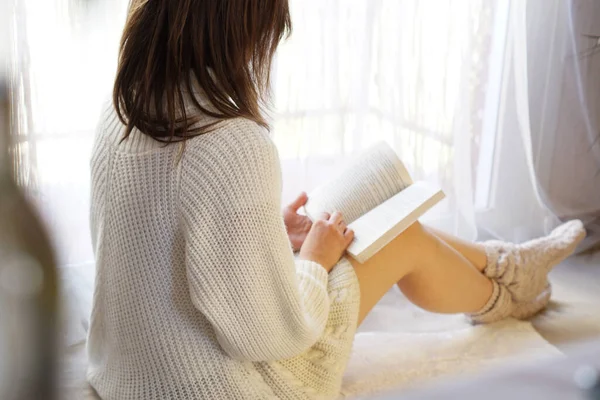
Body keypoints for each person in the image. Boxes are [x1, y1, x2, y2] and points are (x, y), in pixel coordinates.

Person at [86, 1, 586, 399]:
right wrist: (313, 262)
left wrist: (264, 229)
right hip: (229, 384)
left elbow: (154, 237)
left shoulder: (125, 105)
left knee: (378, 178)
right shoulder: (231, 144)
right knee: (400, 239)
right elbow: (270, 337)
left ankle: (507, 262)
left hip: (130, 369)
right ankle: (511, 294)